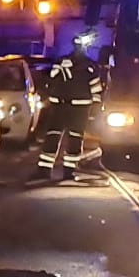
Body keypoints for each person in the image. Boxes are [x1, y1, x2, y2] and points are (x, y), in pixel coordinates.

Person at [39, 36, 103, 181]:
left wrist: (96, 107)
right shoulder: (84, 65)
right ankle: (50, 169)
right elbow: (50, 80)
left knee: (68, 138)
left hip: (71, 107)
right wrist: (95, 108)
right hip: (69, 107)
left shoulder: (88, 66)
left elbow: (95, 88)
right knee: (61, 137)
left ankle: (63, 170)